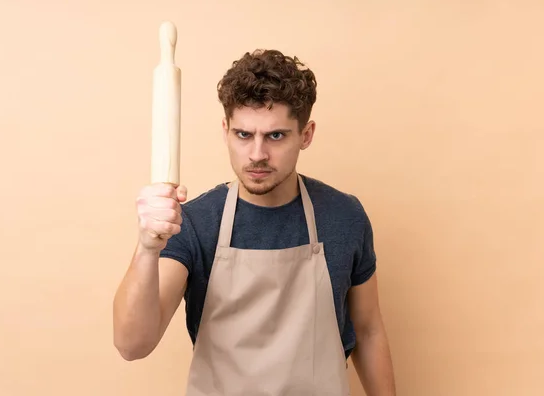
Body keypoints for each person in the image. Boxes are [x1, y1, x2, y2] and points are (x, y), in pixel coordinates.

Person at [113, 49, 396, 395]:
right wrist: (146, 248)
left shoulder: (344, 216)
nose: (257, 154)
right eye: (244, 135)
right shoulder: (195, 223)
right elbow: (132, 345)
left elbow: (368, 331)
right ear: (226, 130)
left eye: (275, 136)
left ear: (305, 135)